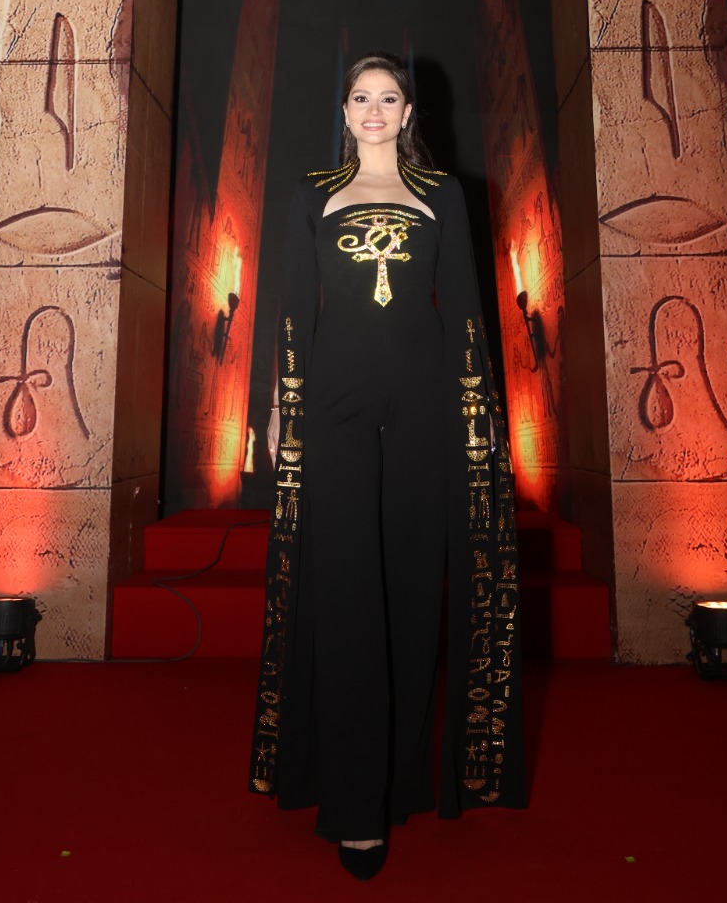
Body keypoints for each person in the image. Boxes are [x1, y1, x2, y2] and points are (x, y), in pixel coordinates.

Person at [250, 52, 525, 880]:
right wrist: (280, 405)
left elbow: (468, 312)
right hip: (333, 403)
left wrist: (480, 411)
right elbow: (291, 310)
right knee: (344, 595)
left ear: (408, 114)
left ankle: (400, 781)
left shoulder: (443, 194)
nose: (374, 109)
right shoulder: (313, 192)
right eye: (360, 97)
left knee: (410, 589)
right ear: (344, 111)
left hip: (427, 404)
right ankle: (352, 805)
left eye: (388, 97)